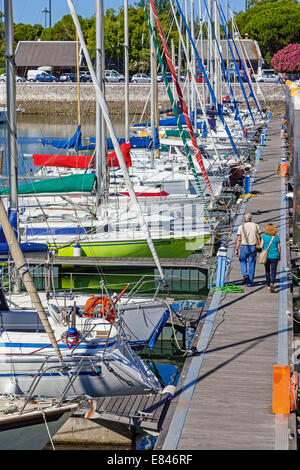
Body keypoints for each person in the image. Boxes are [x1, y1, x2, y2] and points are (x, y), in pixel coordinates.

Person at [235, 213, 261, 287]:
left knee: (242, 260)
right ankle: (250, 283)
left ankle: (244, 274)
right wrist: (259, 247)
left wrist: (236, 249)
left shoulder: (241, 226)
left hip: (244, 247)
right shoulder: (256, 225)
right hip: (253, 247)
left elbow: (239, 239)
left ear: (245, 218)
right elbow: (259, 237)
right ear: (251, 218)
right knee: (252, 263)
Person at [260, 223, 281, 292]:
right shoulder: (276, 237)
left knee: (267, 270)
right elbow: (279, 248)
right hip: (274, 256)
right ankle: (272, 282)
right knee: (273, 271)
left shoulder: (264, 236)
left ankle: (268, 285)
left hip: (266, 256)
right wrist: (279, 255)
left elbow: (261, 246)